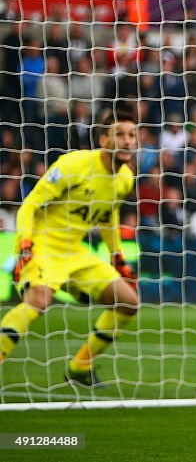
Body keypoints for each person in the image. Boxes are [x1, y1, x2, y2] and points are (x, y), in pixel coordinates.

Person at [0, 104, 140, 387]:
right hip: (42, 245)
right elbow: (30, 206)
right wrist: (24, 245)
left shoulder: (125, 179)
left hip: (75, 252)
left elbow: (108, 216)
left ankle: (79, 368)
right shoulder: (73, 165)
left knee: (128, 303)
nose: (127, 141)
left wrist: (116, 256)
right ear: (103, 140)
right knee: (38, 302)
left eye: (132, 135)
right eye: (120, 134)